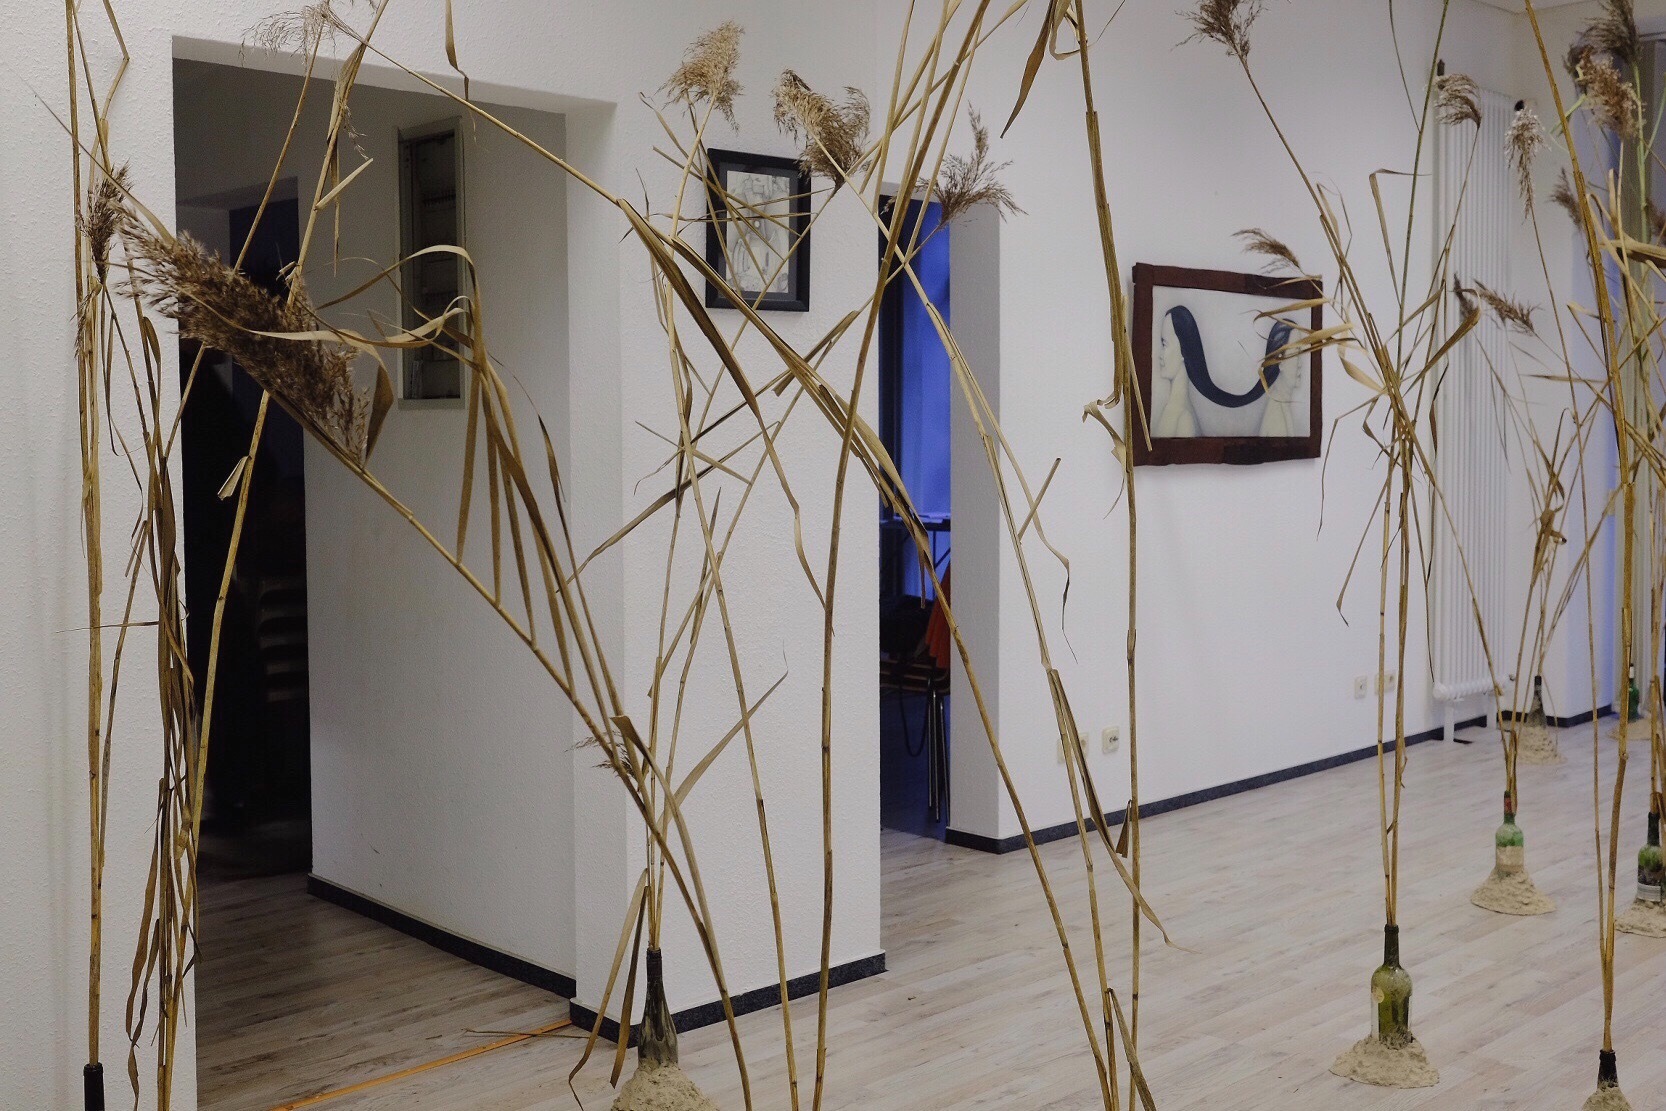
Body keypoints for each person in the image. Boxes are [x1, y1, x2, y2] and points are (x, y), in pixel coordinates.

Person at [1152, 307, 1200, 438]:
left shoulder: (1184, 419)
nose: (1160, 355)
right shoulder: (1172, 409)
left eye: (1165, 344)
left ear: (1183, 350)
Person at [1258, 320, 1304, 437]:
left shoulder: (1280, 404)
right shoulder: (1277, 415)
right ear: (1280, 361)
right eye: (1296, 353)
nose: (1300, 364)